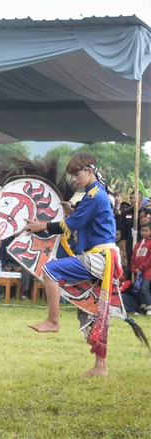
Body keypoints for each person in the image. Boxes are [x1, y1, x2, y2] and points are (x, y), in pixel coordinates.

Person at [26, 152, 120, 376]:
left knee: (49, 269)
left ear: (89, 171)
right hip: (103, 257)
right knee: (90, 310)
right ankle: (100, 366)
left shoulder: (94, 196)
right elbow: (83, 219)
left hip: (99, 257)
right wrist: (74, 211)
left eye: (77, 174)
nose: (74, 179)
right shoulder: (94, 194)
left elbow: (72, 224)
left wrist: (43, 226)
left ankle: (53, 321)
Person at [129, 222, 151, 314]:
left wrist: (141, 268)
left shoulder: (150, 243)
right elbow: (133, 258)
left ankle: (149, 307)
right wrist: (134, 268)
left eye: (146, 231)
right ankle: (143, 308)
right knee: (139, 290)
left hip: (147, 272)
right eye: (142, 231)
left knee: (144, 289)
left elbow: (149, 260)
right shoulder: (138, 244)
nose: (144, 232)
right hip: (138, 273)